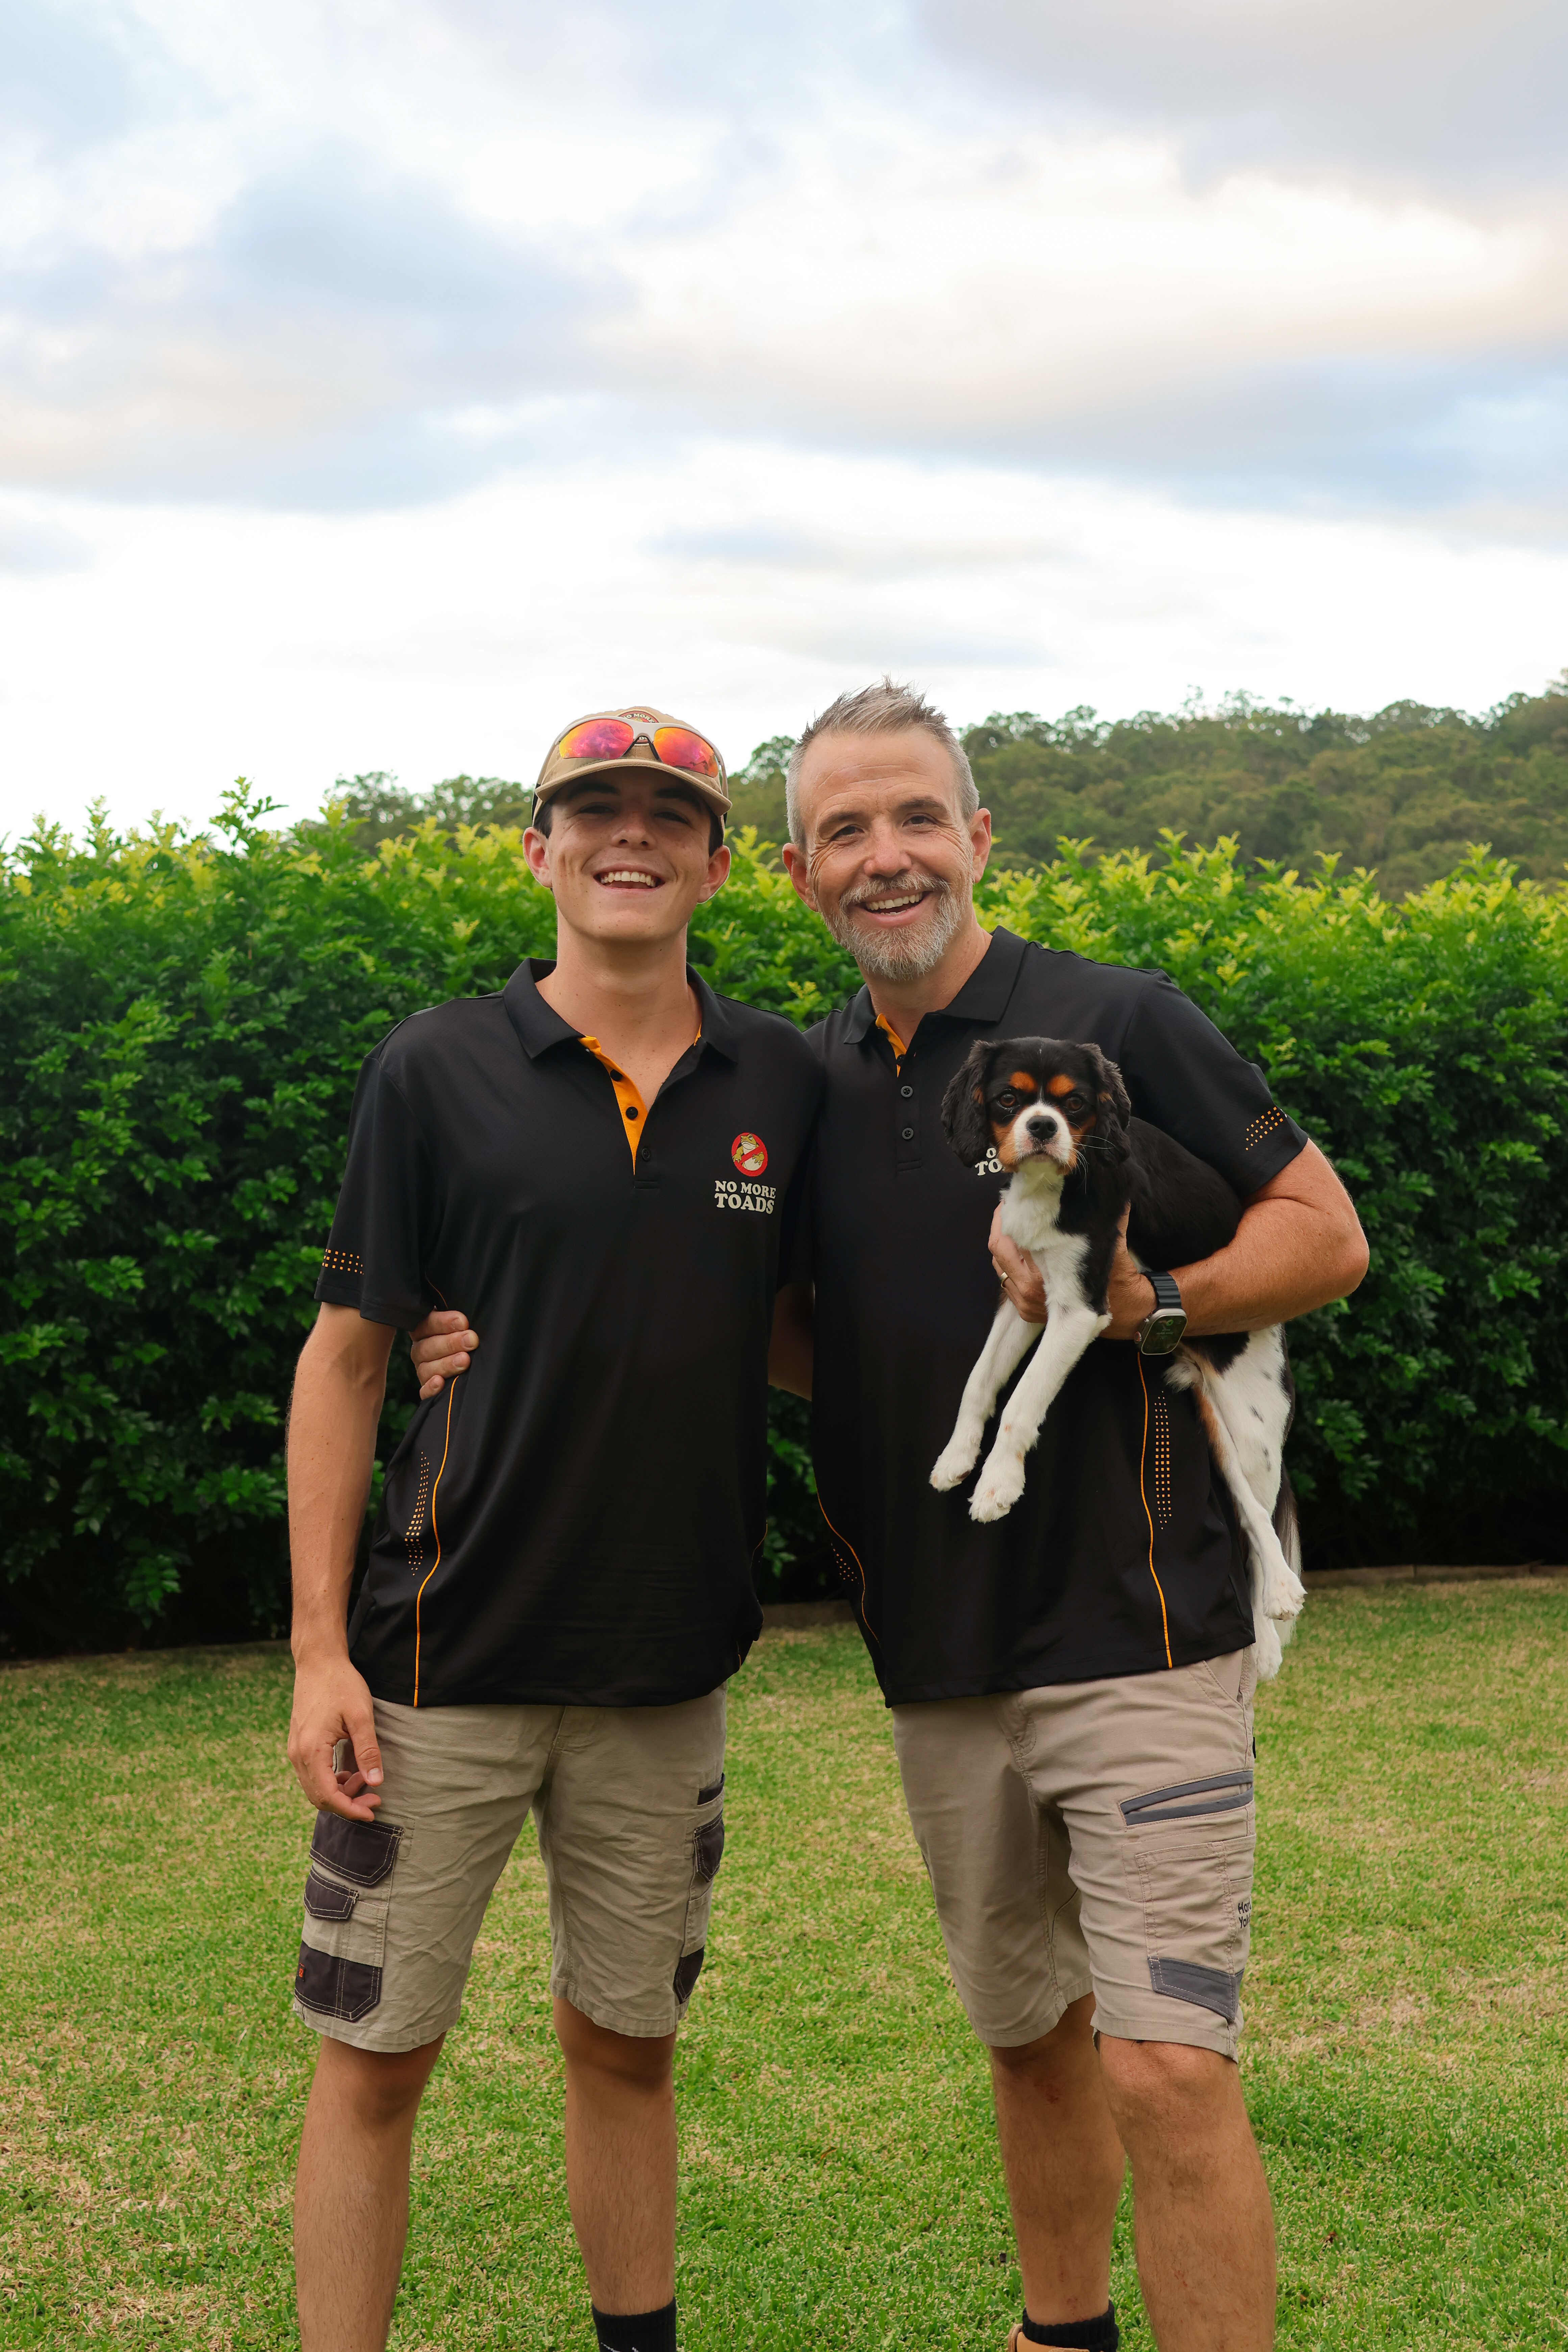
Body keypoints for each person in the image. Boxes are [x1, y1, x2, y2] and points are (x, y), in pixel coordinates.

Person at [412, 680, 1369, 2352]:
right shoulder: (804, 1080)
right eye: (842, 831)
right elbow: (776, 1326)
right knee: (1029, 2038)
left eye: (914, 818)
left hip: (1140, 1627)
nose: (884, 858)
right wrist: (486, 1335)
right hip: (933, 1646)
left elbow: (1324, 1233)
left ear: (976, 838)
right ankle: (1057, 2332)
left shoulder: (1113, 1015)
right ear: (791, 876)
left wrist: (1155, 1313)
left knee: (1161, 2063)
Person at [285, 705, 821, 2352]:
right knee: (375, 2059)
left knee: (630, 2045)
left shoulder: (781, 1078)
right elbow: (351, 1353)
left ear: (719, 863)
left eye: (670, 813)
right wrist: (317, 1652)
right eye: (594, 809)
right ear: (539, 849)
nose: (630, 836)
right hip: (440, 1657)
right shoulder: (435, 1067)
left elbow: (803, 1332)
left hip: (667, 1666)